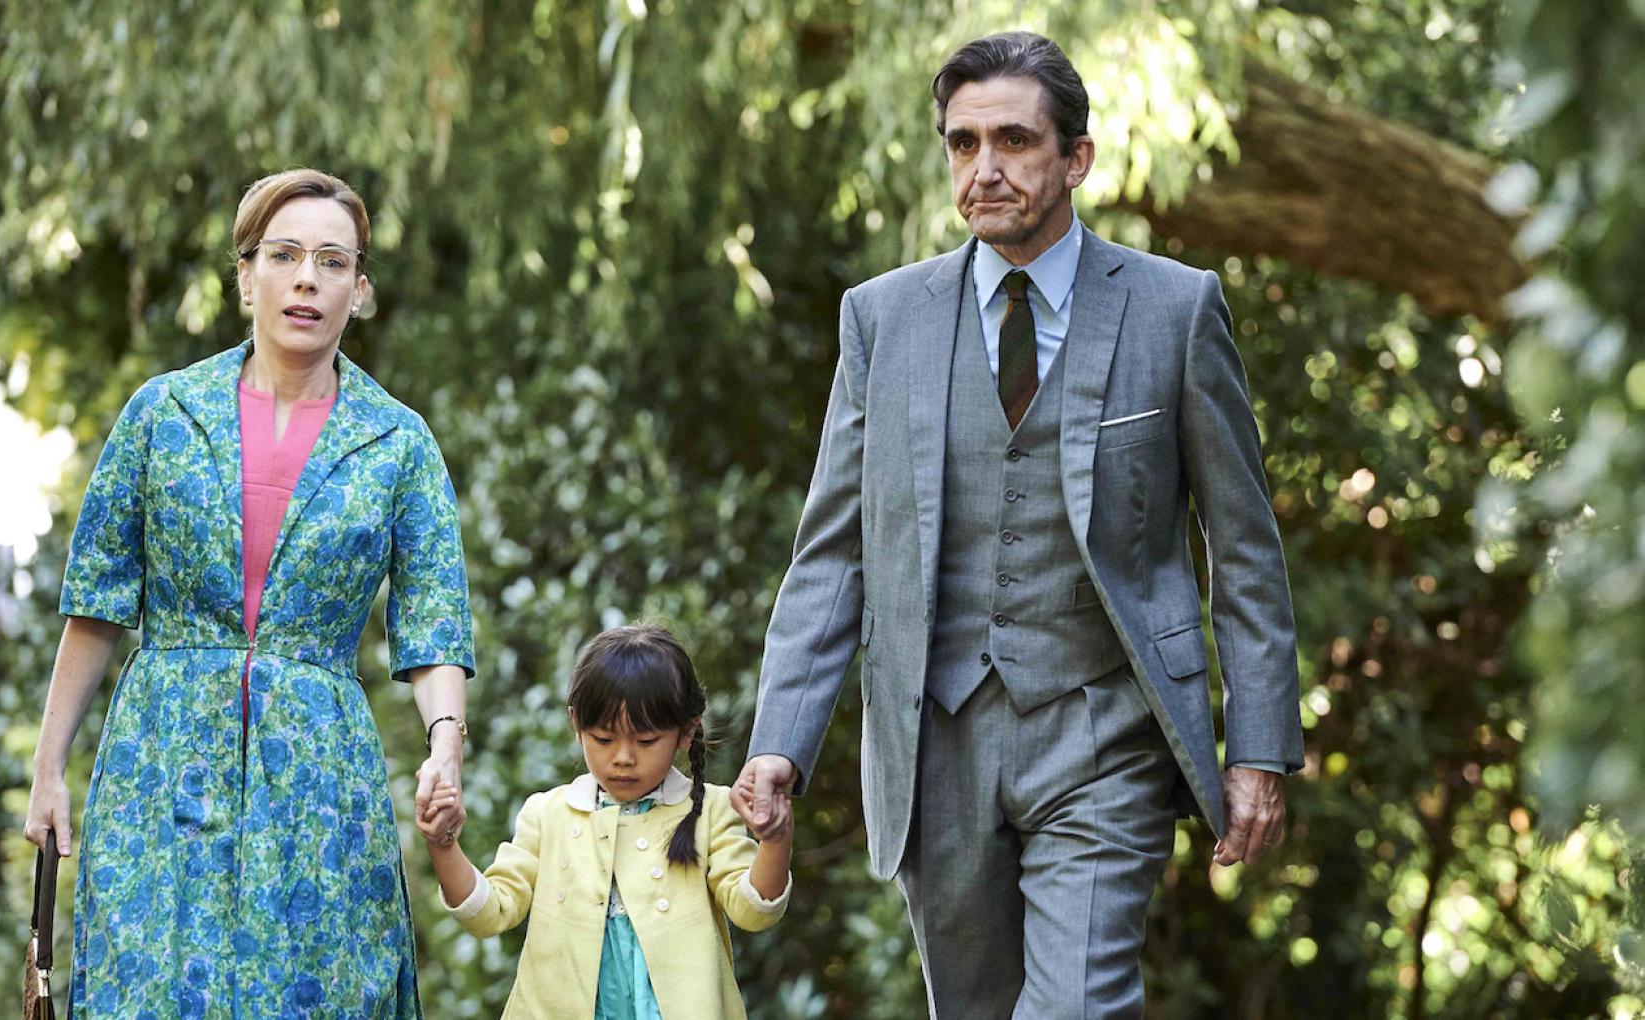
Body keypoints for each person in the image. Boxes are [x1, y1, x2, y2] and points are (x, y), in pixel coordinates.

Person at [736, 31, 1303, 1019]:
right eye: (962, 144)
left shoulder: (1176, 310)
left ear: (1075, 158)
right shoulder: (883, 321)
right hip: (936, 741)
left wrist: (1256, 748)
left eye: (1013, 141)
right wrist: (779, 740)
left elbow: (1244, 547)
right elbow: (834, 552)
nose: (984, 169)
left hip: (1103, 731)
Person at [22, 168, 475, 1016]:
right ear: (245, 275)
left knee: (319, 990)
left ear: (360, 289)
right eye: (286, 254)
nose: (308, 278)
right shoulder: (161, 415)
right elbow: (98, 605)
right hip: (162, 762)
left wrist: (444, 743)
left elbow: (435, 623)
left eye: (333, 261)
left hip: (319, 772)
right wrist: (49, 768)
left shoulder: (399, 444)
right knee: (152, 990)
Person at [421, 624, 791, 1019]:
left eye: (646, 741)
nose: (623, 758)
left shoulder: (712, 811)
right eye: (603, 738)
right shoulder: (548, 815)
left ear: (686, 732)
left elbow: (754, 910)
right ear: (576, 725)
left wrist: (775, 841)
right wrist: (443, 846)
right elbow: (490, 912)